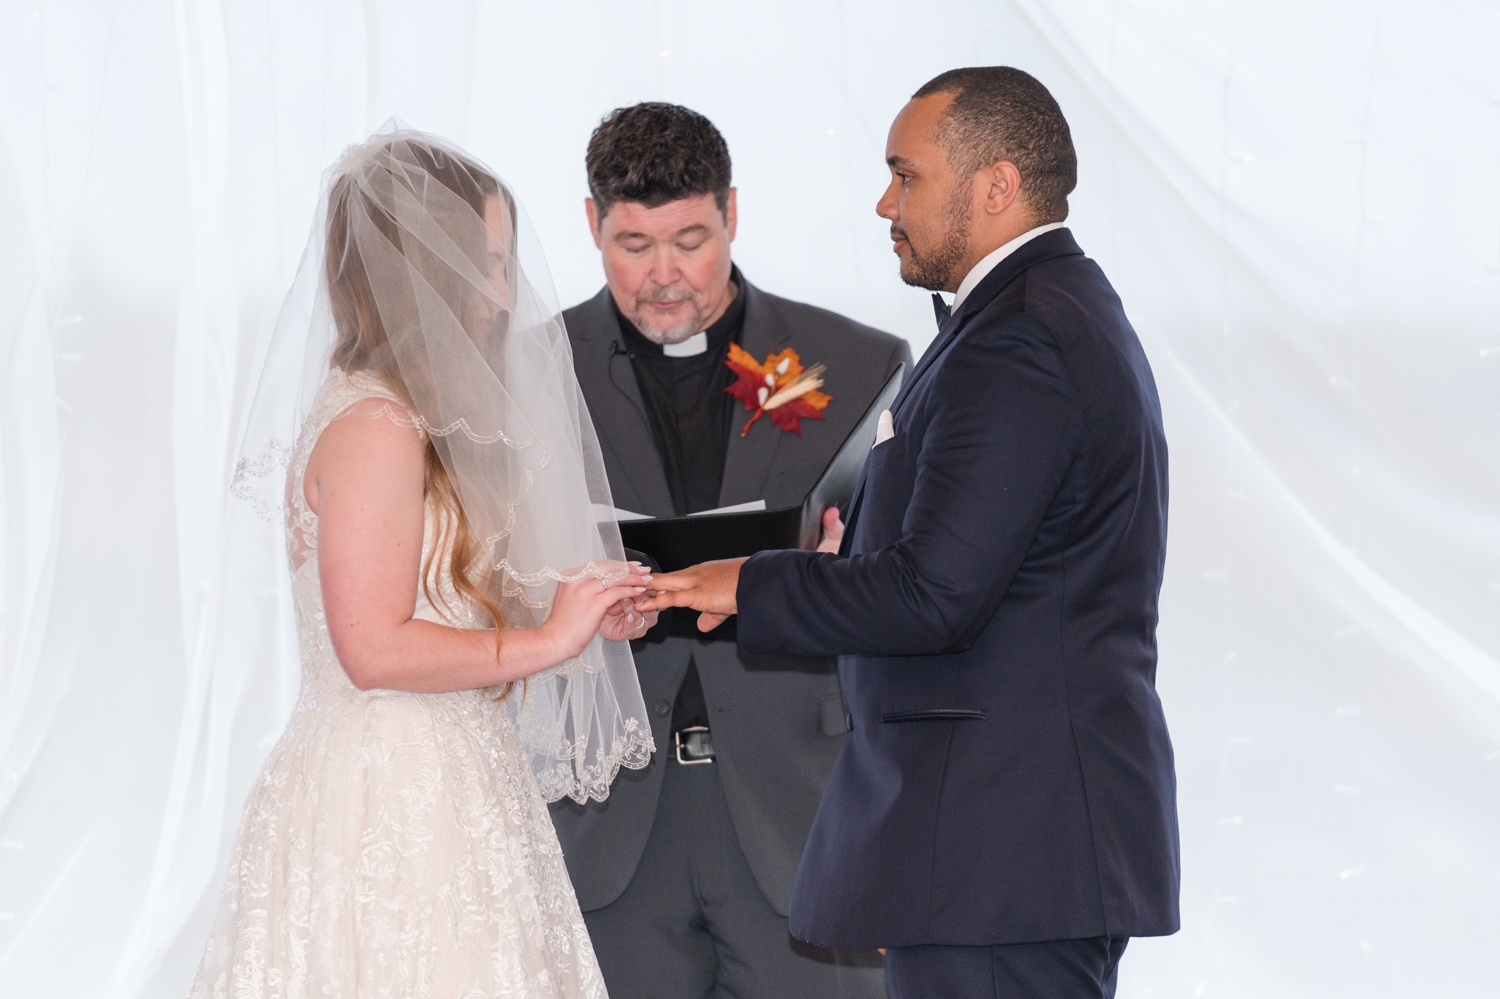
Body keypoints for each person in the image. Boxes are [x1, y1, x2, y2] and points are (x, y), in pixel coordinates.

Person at [641, 68, 1181, 999]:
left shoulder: (1019, 340)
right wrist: (845, 558)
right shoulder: (1034, 313)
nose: (885, 203)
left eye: (906, 175)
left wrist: (752, 581)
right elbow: (999, 564)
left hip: (1001, 851)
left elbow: (936, 594)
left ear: (998, 185)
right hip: (1000, 851)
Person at [192, 129, 658, 999]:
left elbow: (445, 606)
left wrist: (580, 606)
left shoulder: (415, 421)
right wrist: (548, 641)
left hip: (454, 772)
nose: (502, 294)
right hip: (390, 790)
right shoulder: (376, 426)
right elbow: (372, 648)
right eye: (485, 265)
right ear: (420, 269)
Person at [549, 102, 911, 999]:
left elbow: (920, 582)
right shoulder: (532, 370)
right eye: (634, 245)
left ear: (733, 213)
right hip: (609, 817)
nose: (664, 275)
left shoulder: (856, 362)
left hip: (799, 801)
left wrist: (848, 568)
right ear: (592, 223)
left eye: (690, 240)